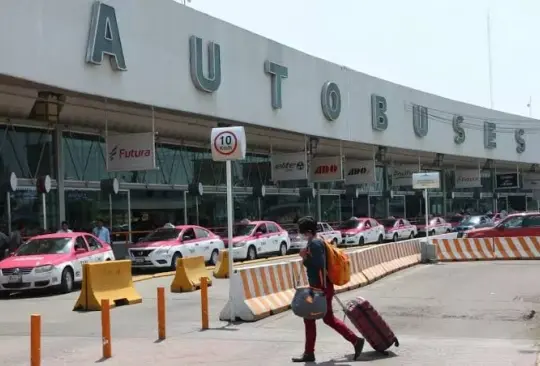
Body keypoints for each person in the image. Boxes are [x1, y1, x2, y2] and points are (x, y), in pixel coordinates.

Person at [292, 216, 364, 363]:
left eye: (301, 232)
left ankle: (310, 353)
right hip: (320, 287)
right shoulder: (316, 242)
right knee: (323, 319)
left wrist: (304, 257)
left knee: (312, 319)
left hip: (319, 289)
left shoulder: (315, 244)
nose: (300, 235)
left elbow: (318, 264)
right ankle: (354, 341)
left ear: (308, 231)